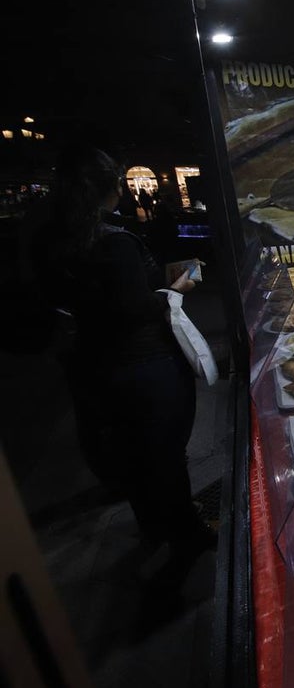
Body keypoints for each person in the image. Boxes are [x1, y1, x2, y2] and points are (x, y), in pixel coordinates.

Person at [34, 146, 214, 573]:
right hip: (145, 364)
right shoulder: (114, 241)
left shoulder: (55, 238)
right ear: (112, 187)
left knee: (134, 453)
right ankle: (187, 536)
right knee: (166, 453)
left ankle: (153, 526)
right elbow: (135, 308)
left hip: (95, 366)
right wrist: (177, 288)